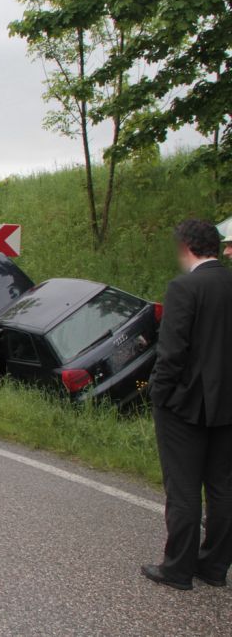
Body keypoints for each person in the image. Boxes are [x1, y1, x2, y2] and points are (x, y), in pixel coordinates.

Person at [142, 219, 232, 591]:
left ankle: (178, 568)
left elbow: (172, 351)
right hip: (228, 404)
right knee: (222, 486)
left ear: (185, 247)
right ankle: (214, 567)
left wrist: (158, 393)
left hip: (185, 403)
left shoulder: (184, 287)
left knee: (183, 487)